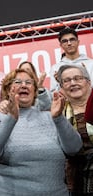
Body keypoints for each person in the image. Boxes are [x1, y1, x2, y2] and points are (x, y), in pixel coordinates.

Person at [0, 68, 82, 195]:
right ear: (8, 90)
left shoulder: (51, 117)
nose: (24, 85)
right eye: (17, 82)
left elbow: (74, 148)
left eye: (29, 82)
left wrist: (59, 118)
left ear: (35, 91)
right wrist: (11, 118)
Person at [56, 64, 93, 195]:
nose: (73, 83)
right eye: (66, 80)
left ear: (88, 82)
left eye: (78, 78)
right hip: (77, 177)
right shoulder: (58, 112)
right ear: (61, 87)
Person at [50, 27, 93, 91]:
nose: (69, 43)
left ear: (78, 42)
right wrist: (60, 83)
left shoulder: (91, 63)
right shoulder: (56, 68)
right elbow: (54, 94)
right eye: (65, 41)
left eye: (72, 39)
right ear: (61, 45)